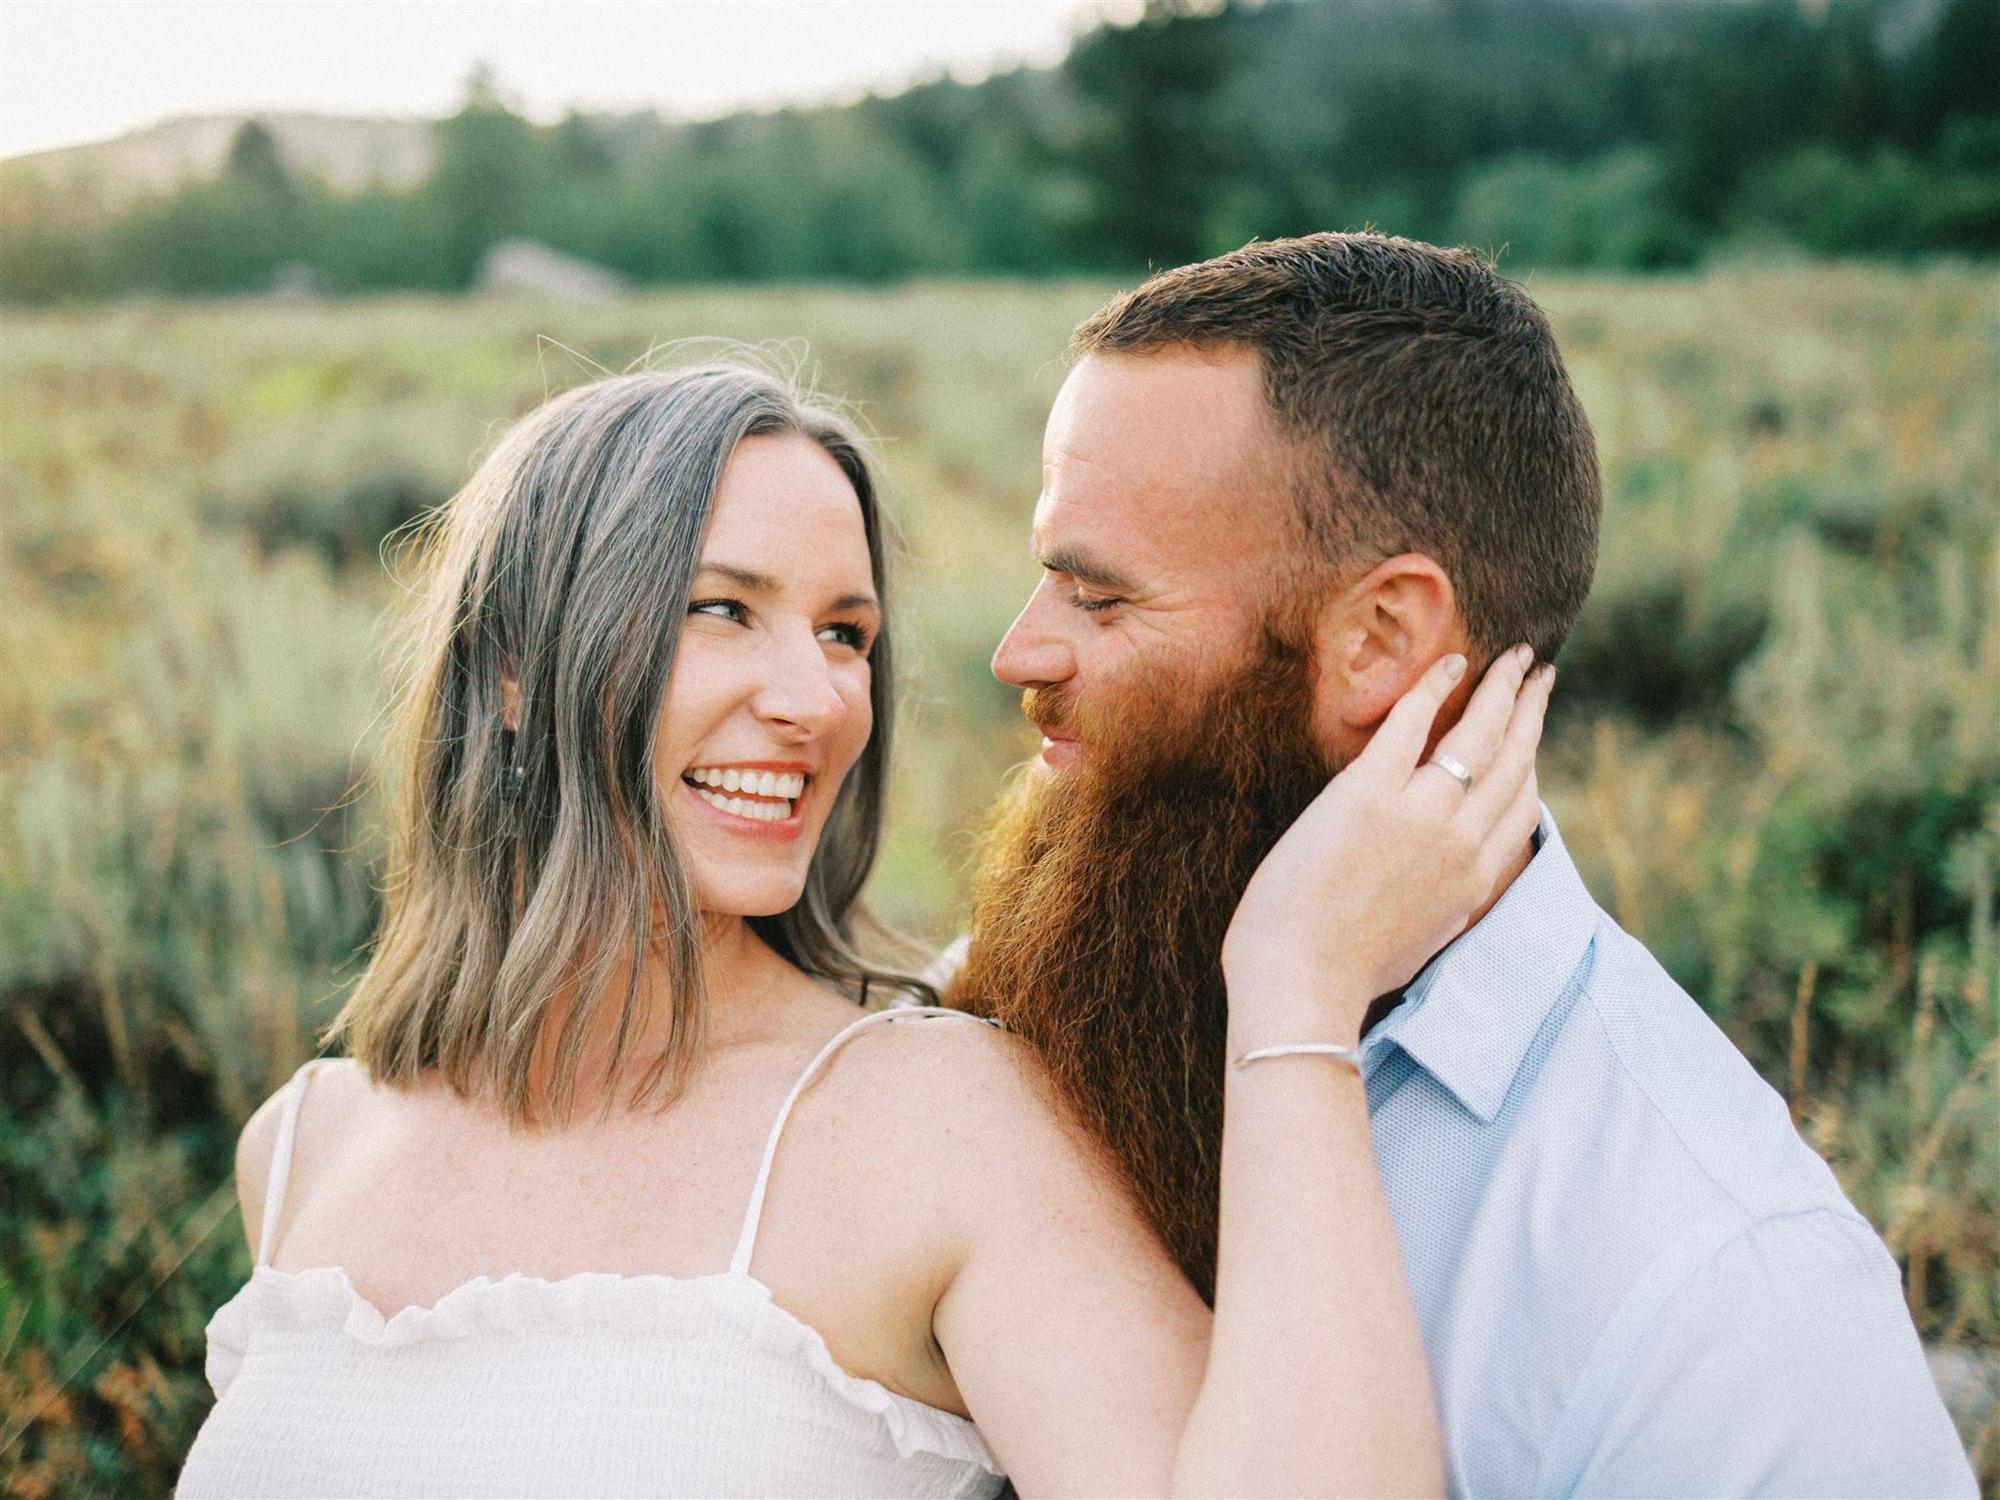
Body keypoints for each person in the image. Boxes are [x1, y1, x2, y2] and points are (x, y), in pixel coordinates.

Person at [176, 358, 1551, 1497]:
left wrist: (1297, 987)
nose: (816, 700)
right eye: (724, 611)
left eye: (846, 634)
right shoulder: (308, 1146)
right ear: (522, 670)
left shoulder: (928, 1121)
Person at [944, 231, 1979, 1497]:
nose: (1016, 651)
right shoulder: (1077, 971)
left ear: (1380, 637)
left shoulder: (1721, 1299)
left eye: (1097, 599)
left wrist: (1291, 988)